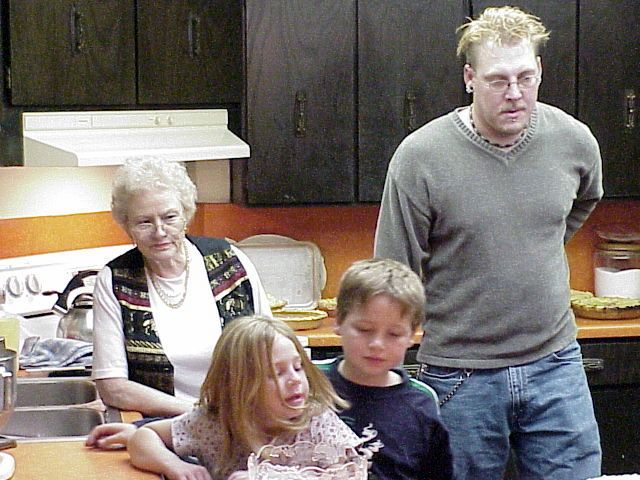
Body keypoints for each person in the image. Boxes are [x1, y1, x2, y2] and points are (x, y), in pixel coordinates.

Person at [374, 6, 603, 480]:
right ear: (469, 78)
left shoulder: (574, 141)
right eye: (498, 80)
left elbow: (583, 201)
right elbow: (394, 269)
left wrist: (530, 243)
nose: (515, 93)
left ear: (539, 70)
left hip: (556, 364)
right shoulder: (420, 158)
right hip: (459, 375)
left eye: (525, 77)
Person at [91, 156, 272, 418]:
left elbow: (271, 348)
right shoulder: (116, 280)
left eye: (169, 217)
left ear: (186, 215)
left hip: (244, 417)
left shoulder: (230, 262)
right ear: (127, 226)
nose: (159, 231)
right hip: (165, 425)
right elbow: (113, 387)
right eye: (144, 222)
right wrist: (198, 414)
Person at [126, 315, 361, 480]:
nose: (295, 380)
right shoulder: (215, 424)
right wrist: (174, 465)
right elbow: (143, 437)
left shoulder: (317, 422)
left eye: (298, 367)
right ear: (239, 385)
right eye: (277, 373)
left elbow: (351, 473)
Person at [320, 258, 453, 480]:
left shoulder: (421, 404)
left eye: (394, 334)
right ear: (339, 321)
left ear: (411, 336)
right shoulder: (308, 384)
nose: (377, 344)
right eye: (364, 329)